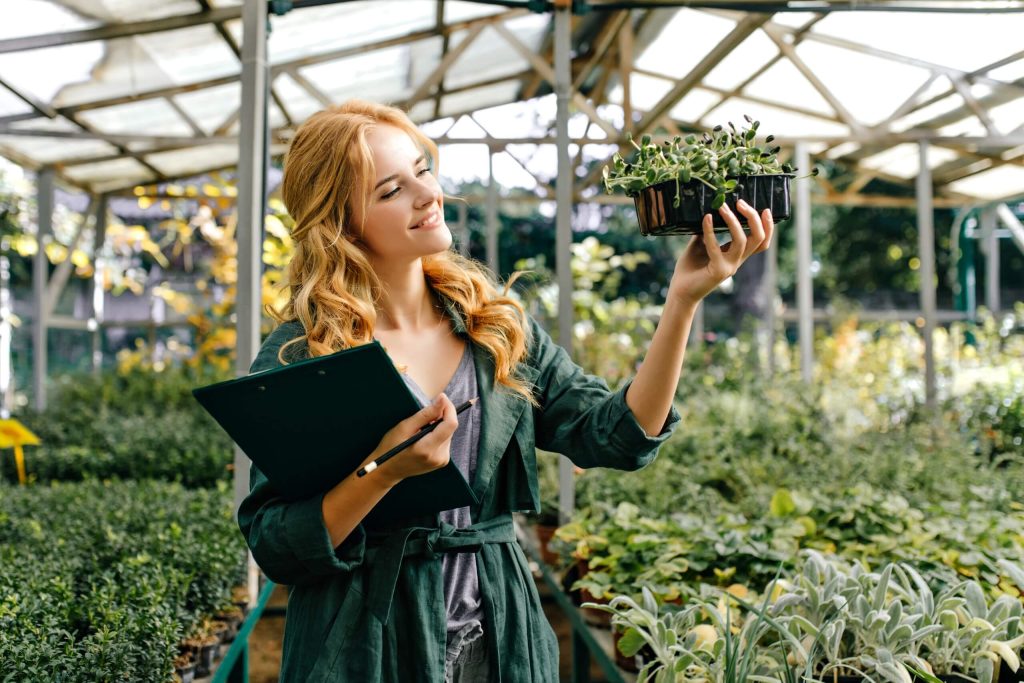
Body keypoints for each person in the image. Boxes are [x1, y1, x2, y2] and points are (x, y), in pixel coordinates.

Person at [237, 99, 773, 683]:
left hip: (500, 638)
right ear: (338, 223)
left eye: (422, 169)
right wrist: (383, 471)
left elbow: (616, 437)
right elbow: (277, 544)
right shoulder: (305, 354)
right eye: (390, 191)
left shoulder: (494, 326)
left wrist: (682, 301)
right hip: (369, 644)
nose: (427, 195)